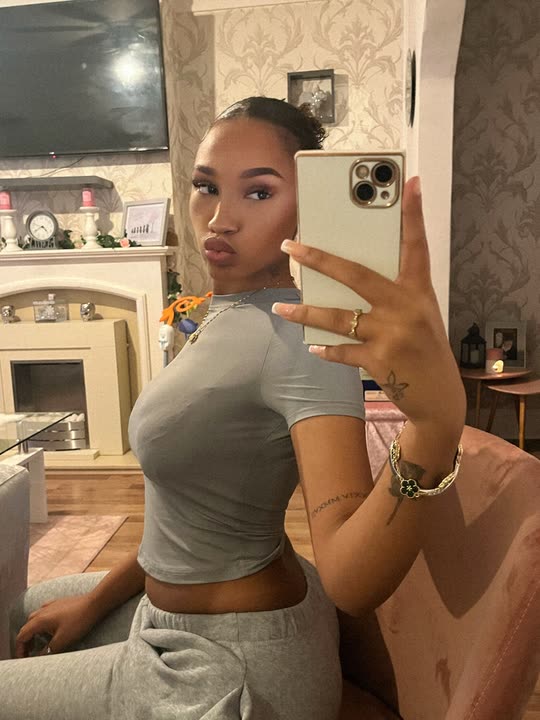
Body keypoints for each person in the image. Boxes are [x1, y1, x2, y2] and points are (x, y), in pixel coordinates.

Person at [0, 97, 465, 720]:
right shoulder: (225, 313)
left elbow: (351, 580)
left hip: (232, 663)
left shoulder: (297, 338)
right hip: (174, 613)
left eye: (259, 193)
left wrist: (435, 425)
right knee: (20, 612)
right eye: (206, 187)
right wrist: (96, 603)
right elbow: (184, 515)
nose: (219, 218)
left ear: (308, 207)